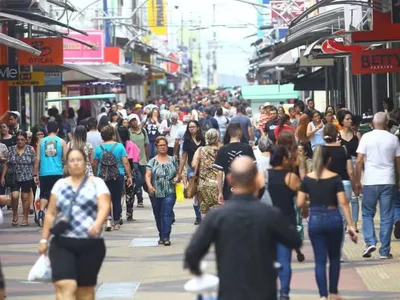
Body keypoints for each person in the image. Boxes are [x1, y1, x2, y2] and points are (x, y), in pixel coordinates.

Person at [184, 156, 302, 300]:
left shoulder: (216, 216)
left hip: (230, 291)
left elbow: (192, 253)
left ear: (229, 180)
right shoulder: (270, 214)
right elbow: (295, 240)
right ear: (255, 180)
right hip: (264, 291)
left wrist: (198, 273)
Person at [37, 148, 111, 300]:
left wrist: (97, 225)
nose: (76, 163)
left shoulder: (97, 183)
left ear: (86, 163)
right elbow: (51, 214)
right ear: (67, 164)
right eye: (72, 160)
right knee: (65, 286)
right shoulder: (60, 185)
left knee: (85, 291)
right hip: (62, 242)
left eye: (79, 160)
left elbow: (104, 206)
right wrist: (44, 239)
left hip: (91, 243)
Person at [297, 146, 357, 300]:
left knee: (320, 260)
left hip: (315, 218)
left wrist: (307, 206)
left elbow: (299, 202)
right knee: (335, 257)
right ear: (329, 159)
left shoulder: (308, 179)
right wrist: (351, 225)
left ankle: (322, 295)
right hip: (333, 218)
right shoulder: (335, 178)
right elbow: (343, 202)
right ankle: (334, 293)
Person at [356, 112, 400, 258]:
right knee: (386, 215)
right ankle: (384, 251)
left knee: (367, 213)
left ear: (372, 123)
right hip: (388, 180)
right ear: (386, 123)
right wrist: (399, 179)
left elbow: (359, 160)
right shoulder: (393, 139)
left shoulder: (366, 138)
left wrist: (357, 180)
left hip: (370, 180)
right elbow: (398, 162)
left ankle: (370, 242)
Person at [268, 145, 301, 300]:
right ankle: (284, 293)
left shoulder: (263, 176)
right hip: (286, 223)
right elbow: (301, 201)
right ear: (283, 159)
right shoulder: (291, 177)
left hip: (266, 224)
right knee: (284, 260)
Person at [93, 126, 132, 231]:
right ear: (113, 135)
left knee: (105, 199)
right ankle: (116, 221)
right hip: (117, 175)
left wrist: (95, 175)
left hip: (102, 176)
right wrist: (129, 176)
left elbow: (95, 164)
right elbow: (125, 162)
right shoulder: (119, 147)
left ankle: (108, 220)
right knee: (116, 199)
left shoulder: (98, 148)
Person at [145, 136, 179, 246]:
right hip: (155, 191)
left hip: (169, 190)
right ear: (156, 146)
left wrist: (177, 177)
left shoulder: (173, 160)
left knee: (167, 213)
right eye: (160, 145)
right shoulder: (152, 161)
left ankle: (166, 236)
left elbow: (179, 172)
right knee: (158, 214)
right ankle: (161, 234)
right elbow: (147, 175)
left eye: (164, 145)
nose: (163, 147)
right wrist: (149, 186)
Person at [34, 121, 68, 226]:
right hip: (57, 172)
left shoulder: (41, 141)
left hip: (44, 172)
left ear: (47, 130)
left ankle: (41, 211)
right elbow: (66, 159)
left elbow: (37, 159)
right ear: (58, 130)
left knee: (44, 194)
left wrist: (35, 174)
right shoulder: (62, 142)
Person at [214, 123, 255, 204]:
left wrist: (220, 192)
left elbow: (219, 173)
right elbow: (253, 170)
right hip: (246, 189)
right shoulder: (247, 148)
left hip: (228, 189)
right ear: (239, 132)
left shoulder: (222, 149)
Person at [2, 131, 35, 226]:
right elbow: (7, 164)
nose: (20, 141)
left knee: (25, 197)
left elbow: (34, 163)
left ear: (26, 140)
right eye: (18, 140)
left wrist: (36, 175)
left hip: (27, 175)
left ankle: (25, 218)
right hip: (14, 175)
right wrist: (3, 177)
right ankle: (15, 214)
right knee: (15, 196)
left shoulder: (30, 149)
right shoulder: (11, 149)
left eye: (22, 140)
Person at [177, 120, 205, 225]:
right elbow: (183, 157)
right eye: (189, 127)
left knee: (204, 192)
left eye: (193, 126)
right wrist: (179, 172)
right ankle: (198, 217)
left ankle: (205, 214)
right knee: (195, 193)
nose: (191, 128)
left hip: (205, 169)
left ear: (198, 128)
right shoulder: (187, 141)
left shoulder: (203, 139)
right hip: (192, 171)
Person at [339, 111, 361, 231]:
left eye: (351, 119)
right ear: (342, 121)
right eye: (347, 119)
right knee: (344, 196)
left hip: (354, 164)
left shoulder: (356, 135)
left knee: (355, 196)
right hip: (342, 166)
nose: (350, 121)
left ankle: (354, 223)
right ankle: (347, 221)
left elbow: (360, 154)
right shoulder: (338, 135)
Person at [192, 129, 220, 214]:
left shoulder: (200, 150)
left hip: (203, 184)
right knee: (218, 210)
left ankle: (207, 226)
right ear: (217, 138)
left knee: (205, 212)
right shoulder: (221, 150)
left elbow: (194, 164)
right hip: (218, 184)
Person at [129, 116, 149, 208]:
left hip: (143, 159)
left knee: (144, 179)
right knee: (138, 179)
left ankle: (134, 194)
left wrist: (148, 159)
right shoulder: (128, 132)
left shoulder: (143, 131)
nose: (134, 122)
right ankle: (139, 199)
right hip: (133, 159)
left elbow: (146, 146)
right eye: (131, 121)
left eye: (135, 120)